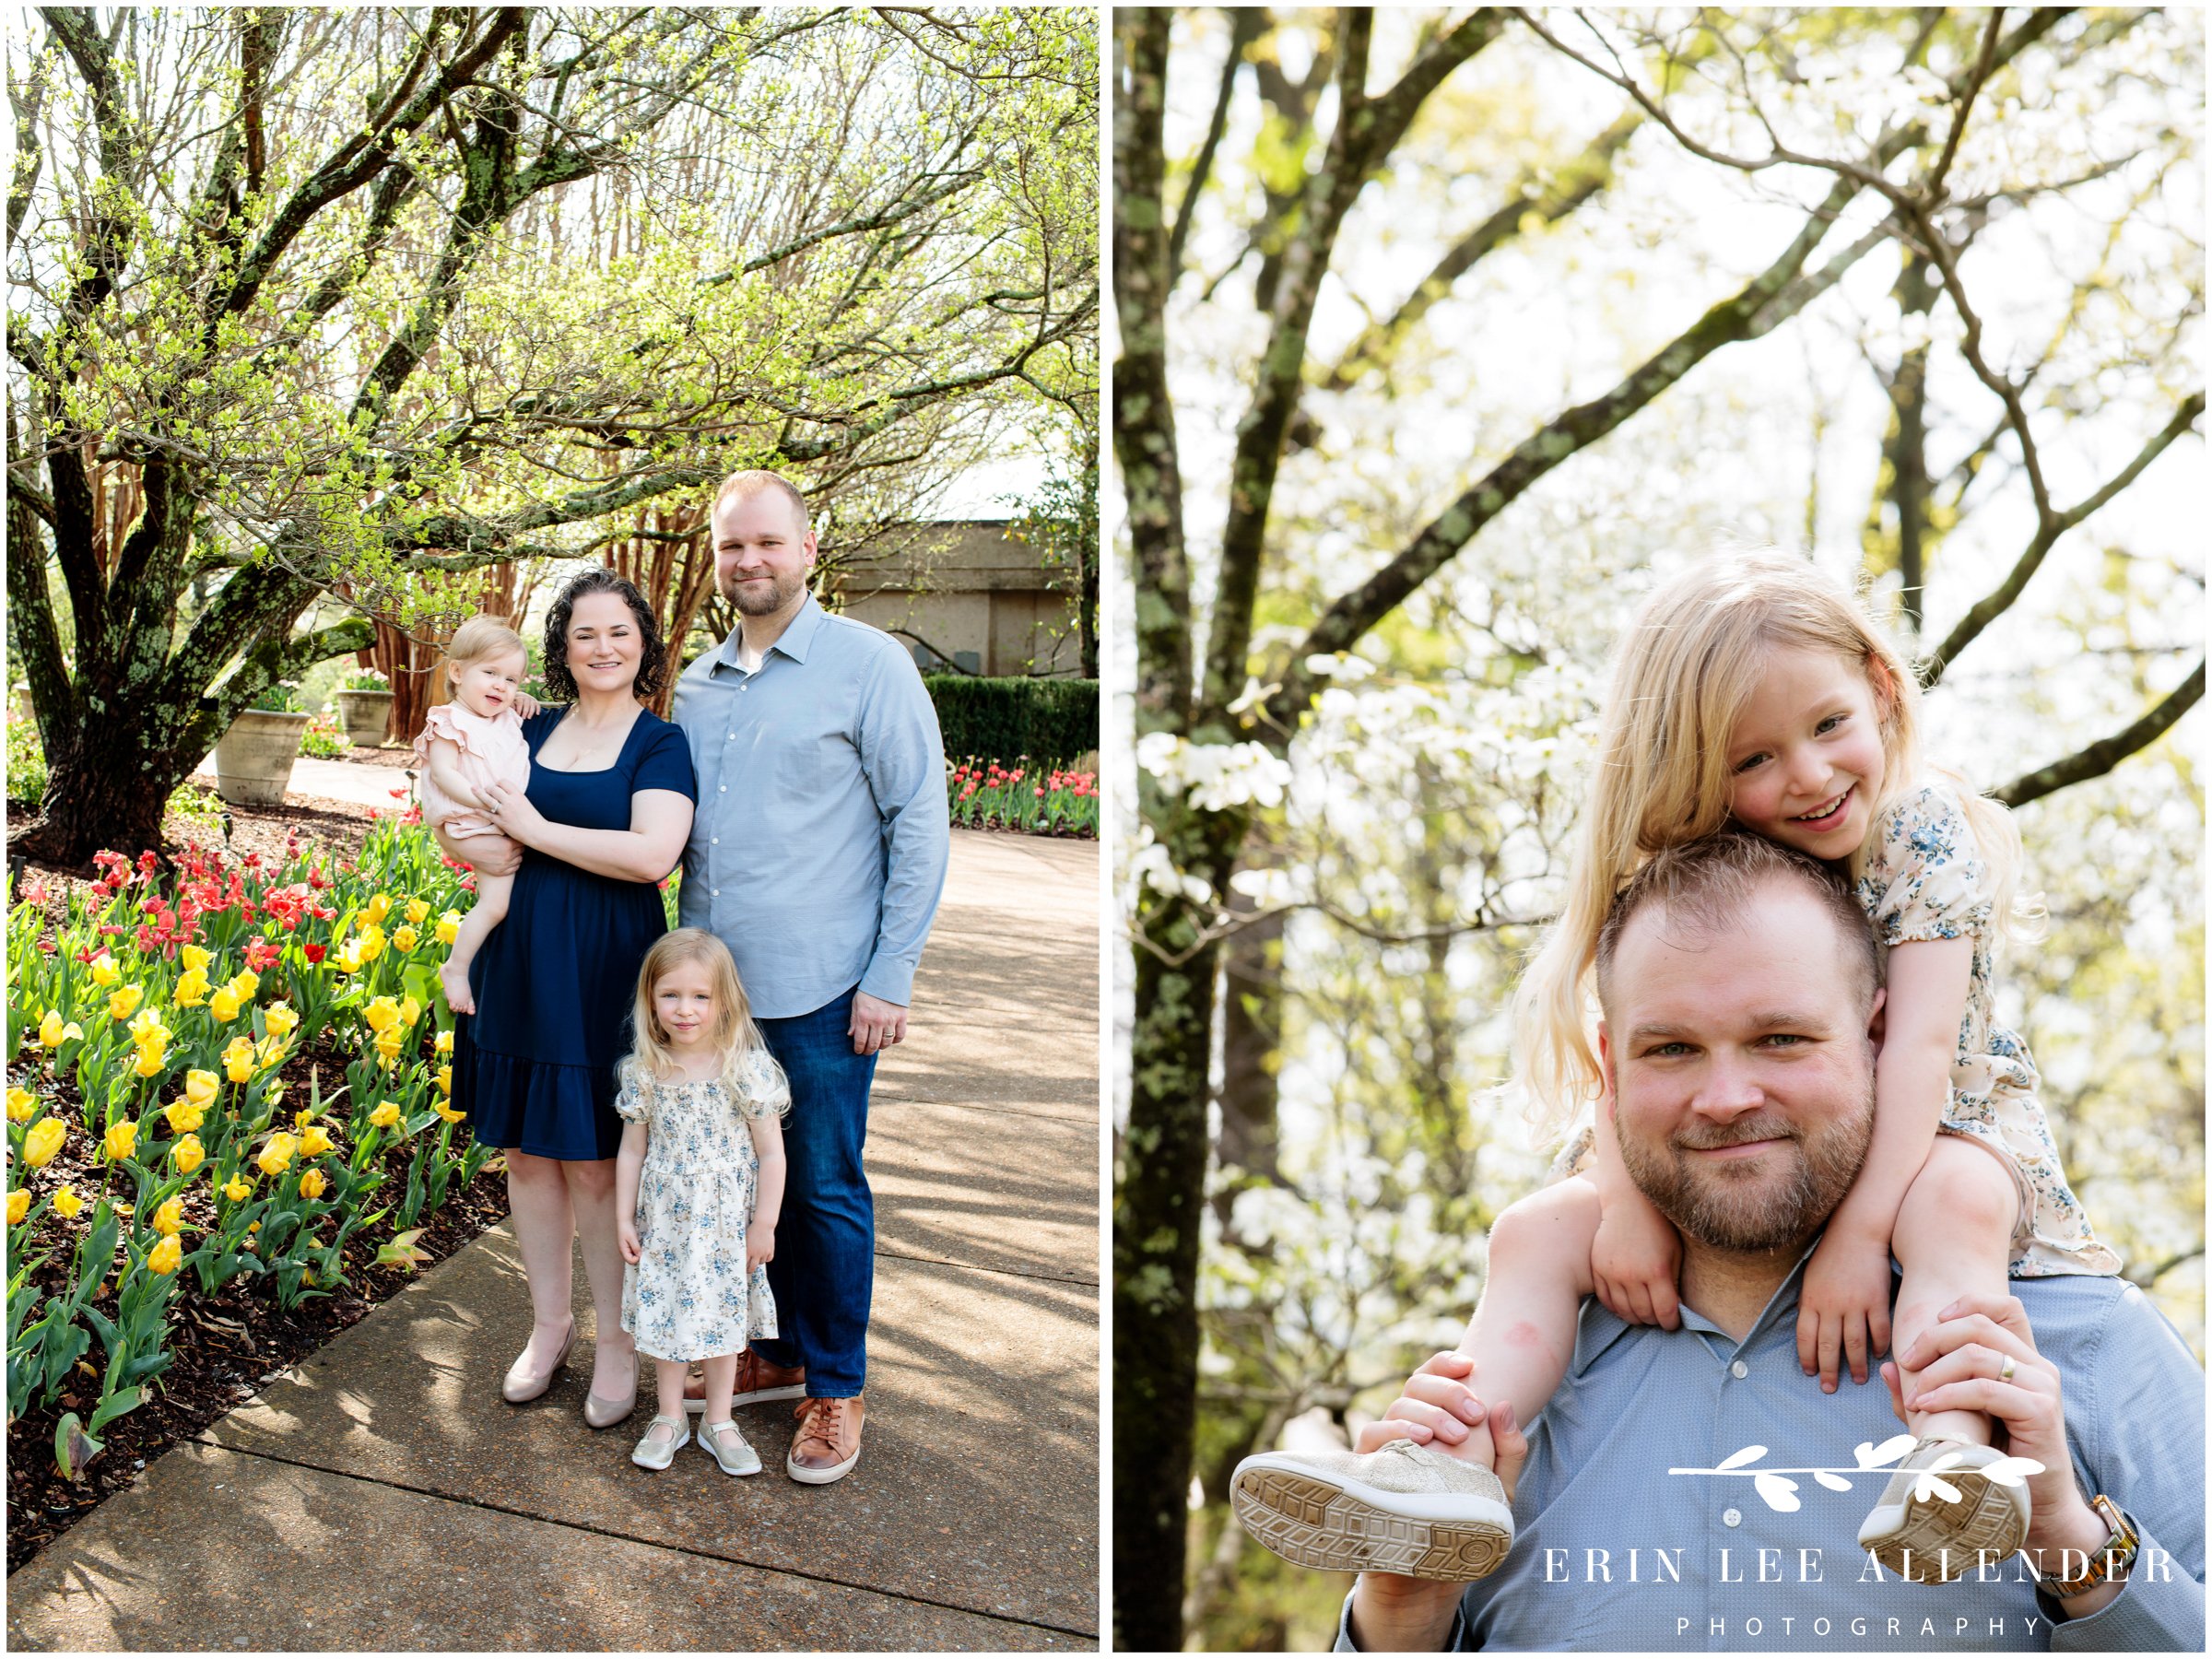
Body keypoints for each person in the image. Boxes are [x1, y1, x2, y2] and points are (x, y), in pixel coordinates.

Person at [1234, 551, 2119, 1584]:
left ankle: (1955, 1461)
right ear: (1700, 771)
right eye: (1754, 760)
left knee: (1956, 1206)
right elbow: (1636, 1048)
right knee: (1536, 1230)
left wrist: (1860, 1236)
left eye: (1830, 725)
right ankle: (1449, 1468)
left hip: (1936, 1119)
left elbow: (1920, 1047)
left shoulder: (1919, 834)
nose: (1809, 775)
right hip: (1748, 1137)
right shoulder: (1692, 865)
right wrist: (1623, 1204)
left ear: (1881, 688)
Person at [1292, 834, 2202, 1650]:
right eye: (1672, 1051)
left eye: (1779, 1037)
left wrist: (2075, 1546)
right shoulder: (1504, 1402)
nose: (1726, 1098)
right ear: (1610, 1069)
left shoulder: (2085, 1351)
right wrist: (1403, 1617)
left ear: (1879, 1035)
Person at [670, 468, 949, 1485]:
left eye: (768, 543)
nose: (750, 562)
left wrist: (892, 973)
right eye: (733, 546)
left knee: (824, 1187)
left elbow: (918, 821)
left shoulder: (869, 667)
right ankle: (777, 1352)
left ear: (808, 549)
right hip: (715, 995)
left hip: (829, 987)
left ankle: (835, 1387)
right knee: (746, 1180)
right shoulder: (698, 684)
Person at [434, 570, 697, 1428]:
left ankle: (616, 1345)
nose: (603, 647)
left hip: (604, 963)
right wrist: (455, 828)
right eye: (585, 634)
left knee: (591, 1160)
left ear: (643, 642)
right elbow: (457, 775)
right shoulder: (529, 725)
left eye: (619, 632)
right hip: (521, 955)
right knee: (526, 1156)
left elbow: (651, 854)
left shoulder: (660, 743)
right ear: (564, 646)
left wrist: (537, 831)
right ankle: (549, 1331)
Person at [614, 929, 789, 1477]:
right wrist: (623, 1217)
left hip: (724, 1228)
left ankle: (719, 1420)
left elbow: (772, 1156)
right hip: (665, 1223)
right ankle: (668, 1416)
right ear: (651, 1000)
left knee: (722, 1323)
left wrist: (765, 1223)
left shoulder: (745, 1069)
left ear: (724, 1001)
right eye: (670, 995)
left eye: (700, 997)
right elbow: (631, 1151)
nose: (684, 1009)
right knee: (665, 1318)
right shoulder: (644, 1072)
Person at [413, 617, 534, 1016]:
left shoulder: (503, 717)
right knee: (496, 906)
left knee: (508, 906)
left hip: (502, 819)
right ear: (458, 672)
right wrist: (483, 802)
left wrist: (525, 702)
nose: (501, 685)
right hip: (475, 818)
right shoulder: (449, 720)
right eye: (491, 673)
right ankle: (456, 967)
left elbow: (519, 713)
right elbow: (444, 773)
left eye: (512, 679)